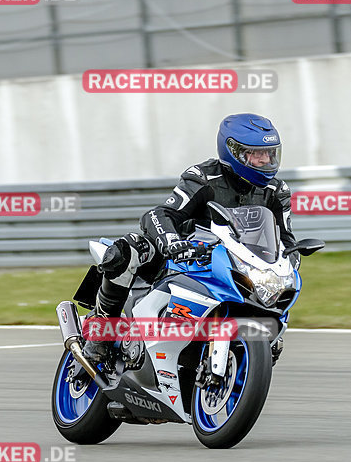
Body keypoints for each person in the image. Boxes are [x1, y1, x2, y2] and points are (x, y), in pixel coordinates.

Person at [83, 113, 299, 362]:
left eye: (270, 153)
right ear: (234, 152)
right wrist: (173, 243)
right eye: (257, 154)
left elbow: (286, 240)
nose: (266, 160)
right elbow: (161, 214)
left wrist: (289, 262)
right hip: (186, 256)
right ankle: (100, 332)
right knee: (128, 250)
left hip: (236, 264)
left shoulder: (276, 191)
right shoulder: (203, 177)